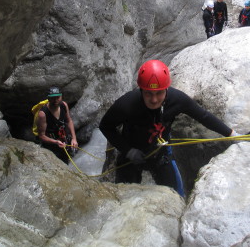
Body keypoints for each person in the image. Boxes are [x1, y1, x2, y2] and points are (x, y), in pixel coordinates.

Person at [99, 60, 238, 197]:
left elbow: (203, 116)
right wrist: (128, 150)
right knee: (123, 199)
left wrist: (232, 134)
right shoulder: (127, 104)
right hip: (130, 155)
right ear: (141, 90)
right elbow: (105, 126)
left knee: (176, 196)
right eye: (148, 93)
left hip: (160, 153)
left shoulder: (177, 99)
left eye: (159, 93)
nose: (154, 100)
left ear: (166, 89)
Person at [35, 86, 78, 163]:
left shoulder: (64, 105)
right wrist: (55, 142)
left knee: (65, 161)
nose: (55, 100)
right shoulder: (43, 114)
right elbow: (41, 136)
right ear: (48, 98)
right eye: (53, 98)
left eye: (58, 97)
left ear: (61, 96)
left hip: (63, 139)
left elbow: (69, 121)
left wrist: (74, 139)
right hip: (51, 145)